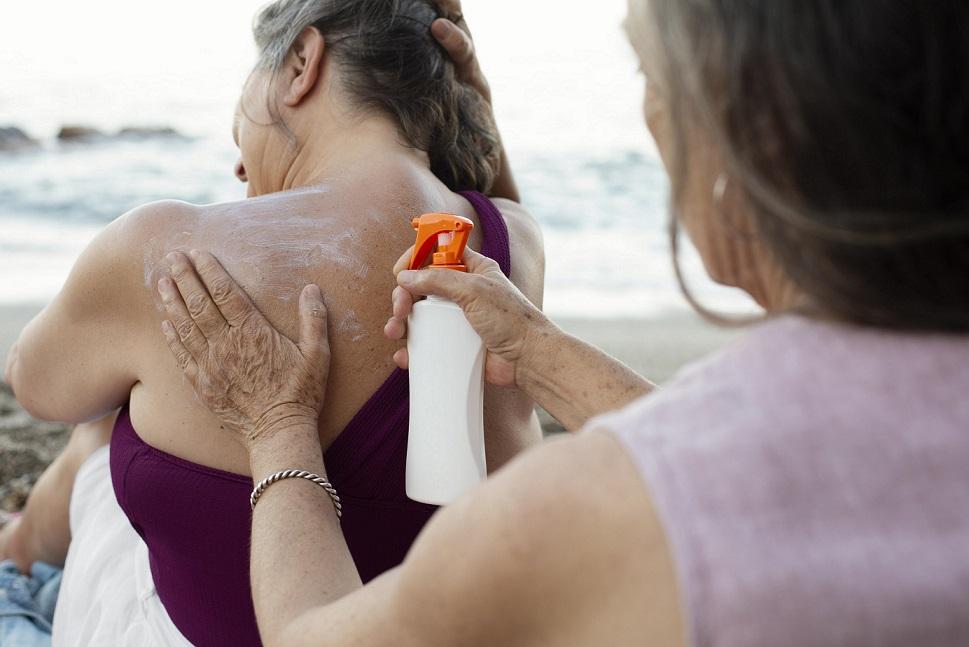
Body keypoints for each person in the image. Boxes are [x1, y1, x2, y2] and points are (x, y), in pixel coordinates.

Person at [157, 0, 969, 645]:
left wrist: (276, 423)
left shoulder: (595, 508)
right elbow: (787, 467)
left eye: (650, 73)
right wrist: (539, 351)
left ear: (758, 133)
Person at [2, 1, 544, 644]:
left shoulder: (160, 250)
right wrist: (472, 103)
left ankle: (14, 559)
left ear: (300, 64)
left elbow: (35, 386)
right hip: (430, 624)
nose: (239, 168)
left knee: (104, 416)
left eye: (240, 128)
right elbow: (496, 202)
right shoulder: (512, 252)